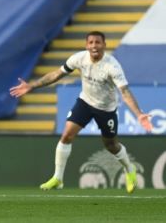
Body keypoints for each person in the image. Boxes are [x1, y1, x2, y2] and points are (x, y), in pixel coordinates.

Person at [9, 31, 153, 193]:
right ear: (86, 45)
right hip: (85, 102)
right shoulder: (78, 58)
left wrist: (139, 114)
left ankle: (129, 169)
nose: (94, 46)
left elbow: (125, 92)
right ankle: (58, 178)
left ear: (104, 45)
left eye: (98, 42)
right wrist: (32, 85)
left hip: (106, 109)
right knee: (66, 135)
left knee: (110, 145)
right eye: (90, 42)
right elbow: (57, 74)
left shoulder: (112, 66)